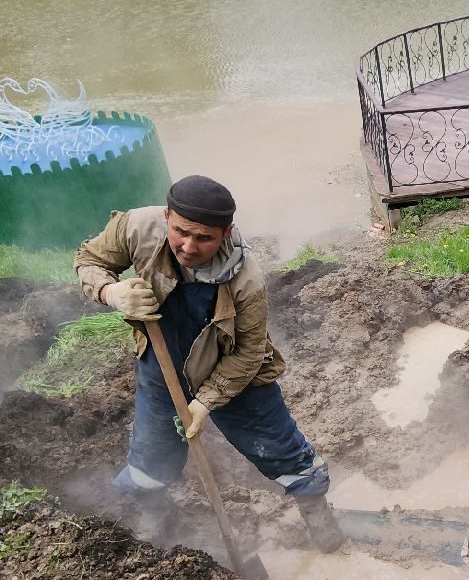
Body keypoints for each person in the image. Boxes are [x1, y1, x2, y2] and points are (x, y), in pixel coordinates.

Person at [74, 175, 344, 553]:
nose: (188, 246)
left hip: (234, 371)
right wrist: (110, 292)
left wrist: (204, 402)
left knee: (278, 444)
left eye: (204, 238)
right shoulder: (135, 228)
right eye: (180, 232)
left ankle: (320, 522)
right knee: (152, 454)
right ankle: (155, 519)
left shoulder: (245, 278)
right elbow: (90, 259)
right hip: (162, 360)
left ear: (226, 233)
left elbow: (248, 353)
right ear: (166, 216)